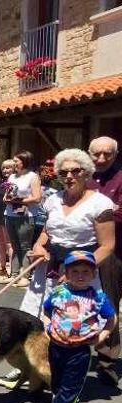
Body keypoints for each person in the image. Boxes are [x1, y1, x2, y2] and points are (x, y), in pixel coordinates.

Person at [2, 149, 116, 389]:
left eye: (76, 171)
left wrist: (77, 273)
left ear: (87, 173)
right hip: (48, 269)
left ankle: (67, 383)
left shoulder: (100, 203)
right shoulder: (53, 199)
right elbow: (46, 232)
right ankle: (32, 369)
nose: (69, 176)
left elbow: (107, 245)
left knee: (71, 326)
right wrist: (39, 245)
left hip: (81, 275)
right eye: (63, 172)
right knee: (36, 322)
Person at [41, 251, 115, 403]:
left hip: (79, 350)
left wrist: (103, 335)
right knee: (58, 383)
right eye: (75, 271)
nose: (80, 276)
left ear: (94, 274)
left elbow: (111, 319)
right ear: (66, 272)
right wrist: (48, 327)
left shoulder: (97, 297)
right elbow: (47, 311)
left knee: (71, 385)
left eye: (85, 271)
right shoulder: (59, 292)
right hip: (56, 347)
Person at [87, 136, 122, 386]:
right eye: (96, 154)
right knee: (97, 301)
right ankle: (100, 359)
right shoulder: (84, 178)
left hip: (116, 247)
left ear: (115, 155)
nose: (101, 159)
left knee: (107, 301)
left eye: (107, 154)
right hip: (94, 250)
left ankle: (107, 360)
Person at [4, 150, 41, 285]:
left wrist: (19, 200)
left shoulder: (33, 177)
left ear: (24, 161)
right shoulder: (12, 177)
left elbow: (37, 198)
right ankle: (14, 274)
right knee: (14, 245)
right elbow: (7, 194)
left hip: (26, 216)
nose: (14, 163)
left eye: (16, 161)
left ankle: (25, 275)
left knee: (24, 246)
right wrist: (7, 199)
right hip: (10, 214)